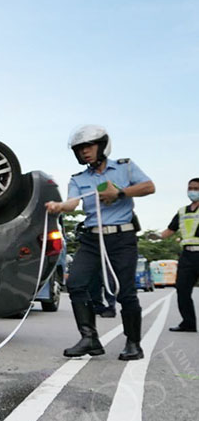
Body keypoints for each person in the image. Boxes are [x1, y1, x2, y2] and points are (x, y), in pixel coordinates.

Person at [46, 125, 155, 360]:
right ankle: (89, 339)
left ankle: (133, 343)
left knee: (125, 292)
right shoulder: (79, 179)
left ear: (102, 146)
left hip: (122, 237)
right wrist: (57, 207)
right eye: (80, 149)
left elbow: (149, 187)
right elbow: (71, 204)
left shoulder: (124, 167)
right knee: (75, 283)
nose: (84, 152)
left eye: (89, 146)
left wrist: (120, 193)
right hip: (92, 239)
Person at [154, 178, 199, 333]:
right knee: (182, 289)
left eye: (196, 188)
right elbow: (170, 230)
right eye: (190, 188)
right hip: (187, 255)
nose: (192, 191)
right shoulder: (182, 211)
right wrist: (157, 237)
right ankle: (188, 323)